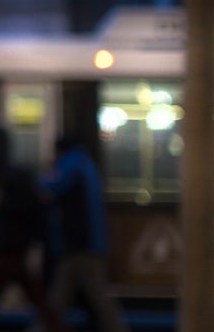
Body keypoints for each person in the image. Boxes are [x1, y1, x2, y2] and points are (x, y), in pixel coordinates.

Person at [0, 125, 68, 332]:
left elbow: (30, 205)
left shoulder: (13, 174)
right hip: (5, 247)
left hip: (12, 246)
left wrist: (2, 203)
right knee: (29, 295)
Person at [41, 133, 131, 332]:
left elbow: (51, 186)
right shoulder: (85, 164)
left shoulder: (71, 165)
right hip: (88, 243)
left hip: (80, 244)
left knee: (83, 294)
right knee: (79, 293)